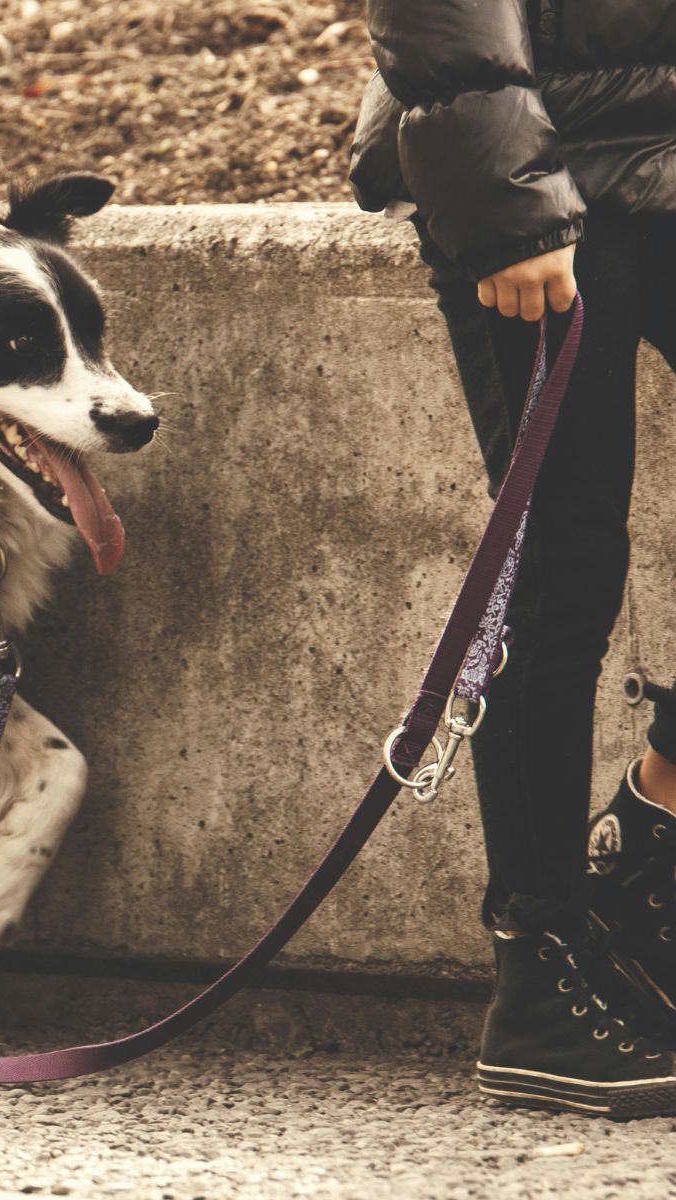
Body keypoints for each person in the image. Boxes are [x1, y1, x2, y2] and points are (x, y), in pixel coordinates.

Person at [350, 1, 676, 1117]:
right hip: (547, 163)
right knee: (562, 569)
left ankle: (653, 849)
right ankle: (538, 969)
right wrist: (504, 194)